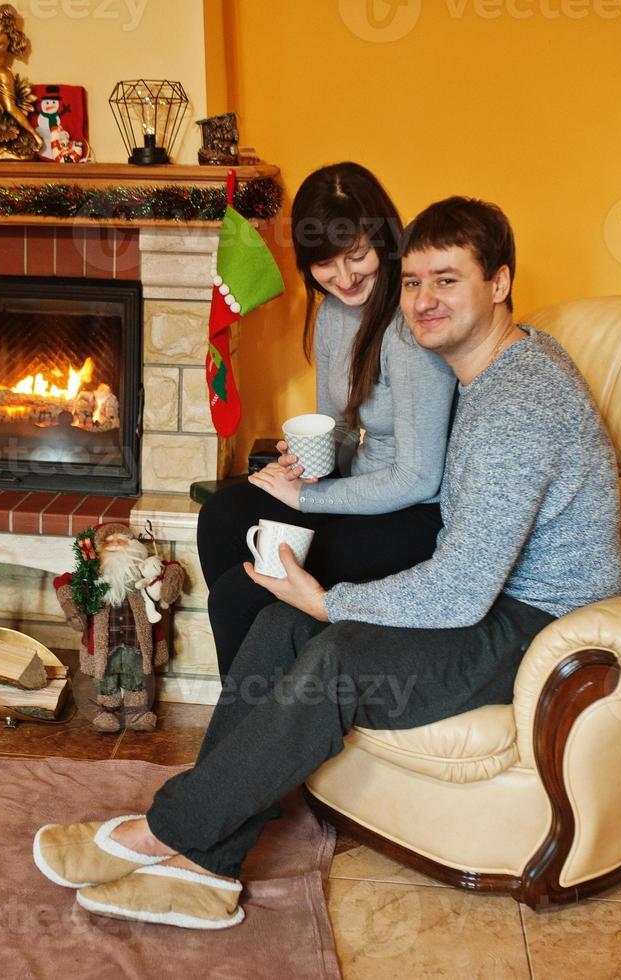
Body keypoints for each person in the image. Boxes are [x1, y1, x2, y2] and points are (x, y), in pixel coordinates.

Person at [32, 197, 621, 930]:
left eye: (447, 280)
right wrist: (311, 599)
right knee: (280, 625)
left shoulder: (518, 403)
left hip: (539, 621)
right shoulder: (498, 365)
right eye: (411, 283)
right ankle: (209, 870)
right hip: (493, 599)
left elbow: (465, 588)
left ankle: (163, 832)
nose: (422, 301)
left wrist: (332, 602)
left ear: (499, 283)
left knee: (335, 649)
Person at [197, 162, 457, 675]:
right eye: (326, 265)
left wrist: (308, 497)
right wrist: (301, 467)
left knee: (238, 595)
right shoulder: (335, 314)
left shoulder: (413, 325)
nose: (343, 278)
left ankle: (269, 715)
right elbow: (335, 426)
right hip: (356, 493)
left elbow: (420, 477)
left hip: (416, 514)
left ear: (384, 241)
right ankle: (281, 673)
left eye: (357, 256)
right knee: (221, 520)